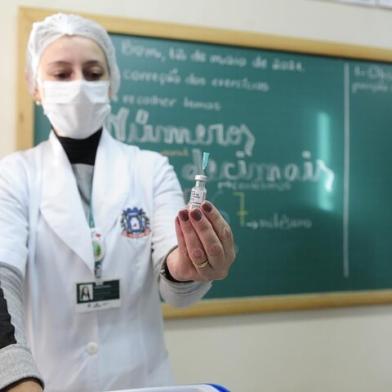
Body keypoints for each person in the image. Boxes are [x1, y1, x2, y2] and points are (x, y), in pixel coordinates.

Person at [0, 13, 235, 392]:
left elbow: (172, 274)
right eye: (61, 74)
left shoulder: (150, 168)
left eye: (93, 73)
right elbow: (1, 276)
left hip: (141, 380)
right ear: (36, 87)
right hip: (47, 381)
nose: (79, 85)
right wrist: (14, 374)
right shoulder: (13, 175)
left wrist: (190, 263)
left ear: (112, 85)